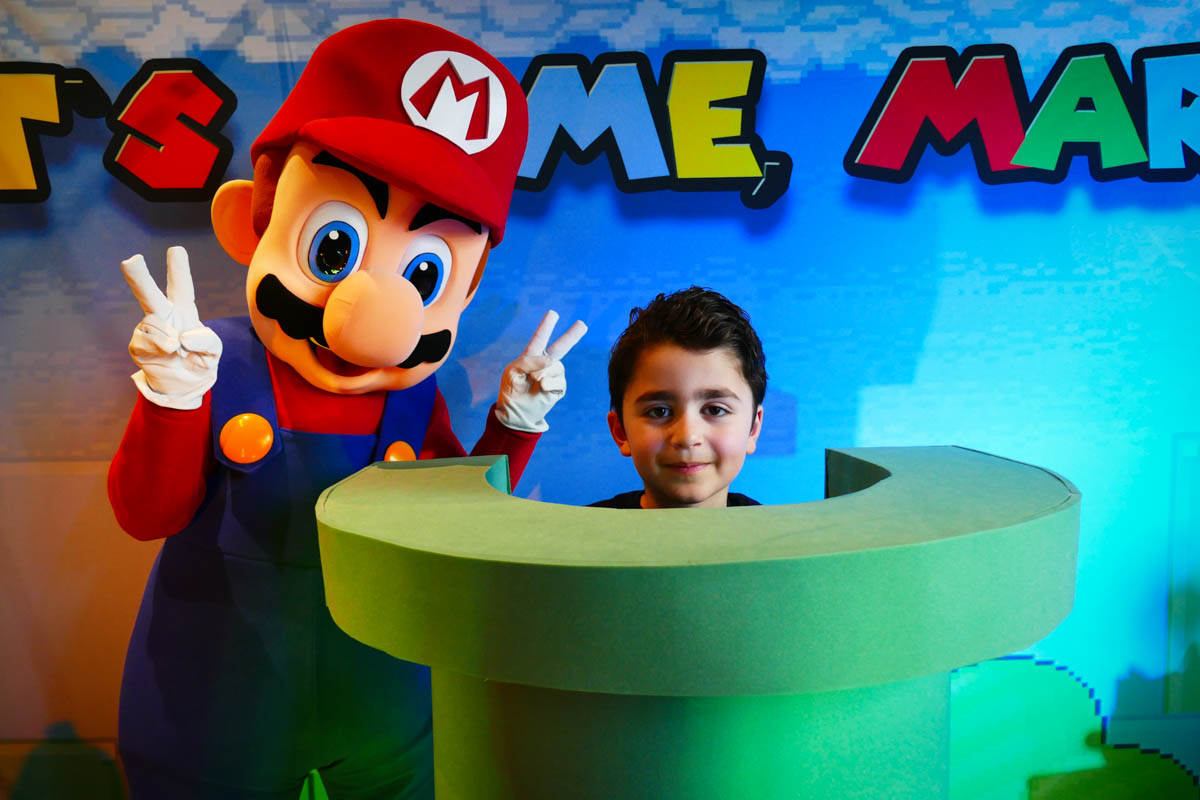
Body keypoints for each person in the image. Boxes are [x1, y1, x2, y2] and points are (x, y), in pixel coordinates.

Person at [107, 19, 584, 799]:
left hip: (381, 705)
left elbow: (458, 523)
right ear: (259, 216)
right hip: (216, 702)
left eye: (426, 276)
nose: (375, 321)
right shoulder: (210, 359)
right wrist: (171, 400)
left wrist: (513, 427)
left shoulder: (415, 395)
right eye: (334, 248)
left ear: (463, 291)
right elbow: (146, 512)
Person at [591, 286, 765, 509]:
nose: (687, 437)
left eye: (715, 410)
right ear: (620, 432)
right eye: (659, 411)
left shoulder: (782, 531)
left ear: (753, 429)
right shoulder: (578, 529)